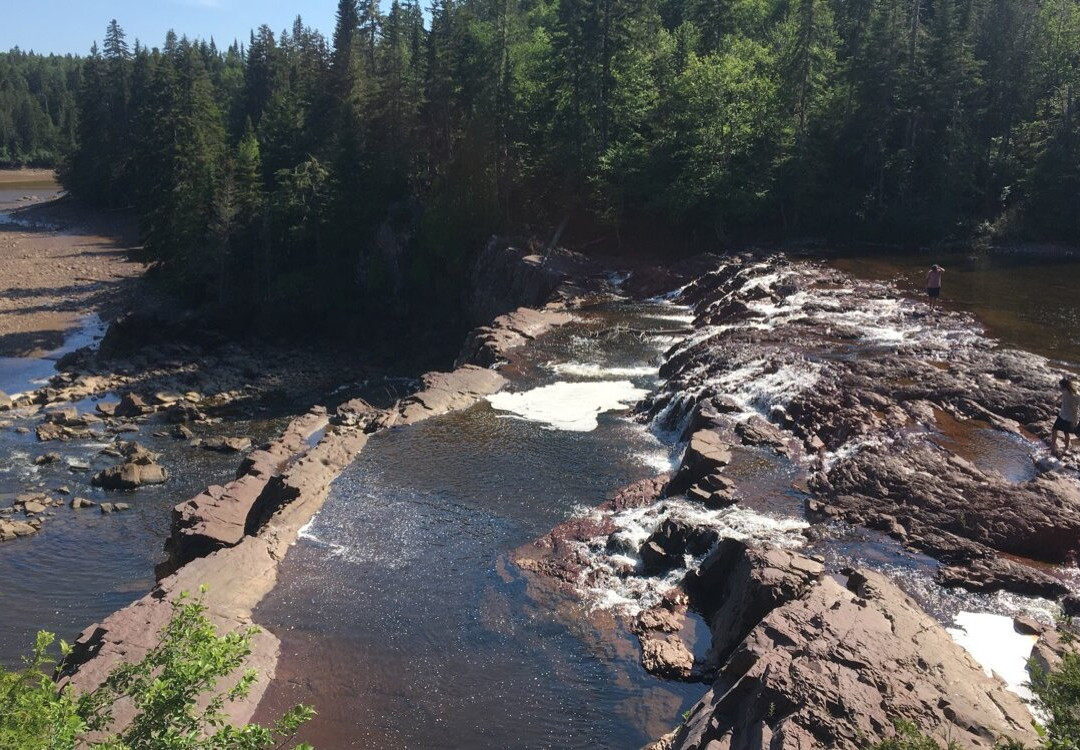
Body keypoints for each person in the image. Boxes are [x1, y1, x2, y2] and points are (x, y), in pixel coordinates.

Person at [1052, 377, 1080, 457]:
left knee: (1054, 429)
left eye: (1061, 386)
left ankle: (1053, 448)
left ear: (1064, 387)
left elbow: (1062, 395)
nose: (1060, 388)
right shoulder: (1076, 394)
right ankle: (1066, 448)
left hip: (1064, 416)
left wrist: (1055, 402)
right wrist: (1056, 401)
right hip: (1070, 418)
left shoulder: (1066, 393)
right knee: (1066, 433)